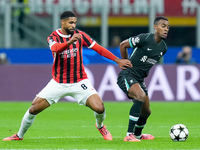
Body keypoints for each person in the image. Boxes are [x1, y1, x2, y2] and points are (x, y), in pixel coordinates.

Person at [3, 11, 132, 141]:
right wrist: (70, 42)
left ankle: (100, 126)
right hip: (58, 82)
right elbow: (56, 49)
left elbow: (98, 48)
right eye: (71, 23)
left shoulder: (80, 35)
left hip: (79, 81)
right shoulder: (53, 37)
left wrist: (117, 60)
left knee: (100, 107)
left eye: (75, 23)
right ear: (62, 22)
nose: (73, 25)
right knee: (34, 108)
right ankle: (19, 135)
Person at [117, 16, 170, 142]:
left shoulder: (163, 48)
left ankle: (138, 135)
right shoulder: (144, 38)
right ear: (155, 27)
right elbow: (122, 45)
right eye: (163, 26)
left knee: (146, 111)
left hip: (139, 79)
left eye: (168, 27)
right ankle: (129, 135)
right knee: (140, 96)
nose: (166, 29)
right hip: (128, 74)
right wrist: (124, 62)